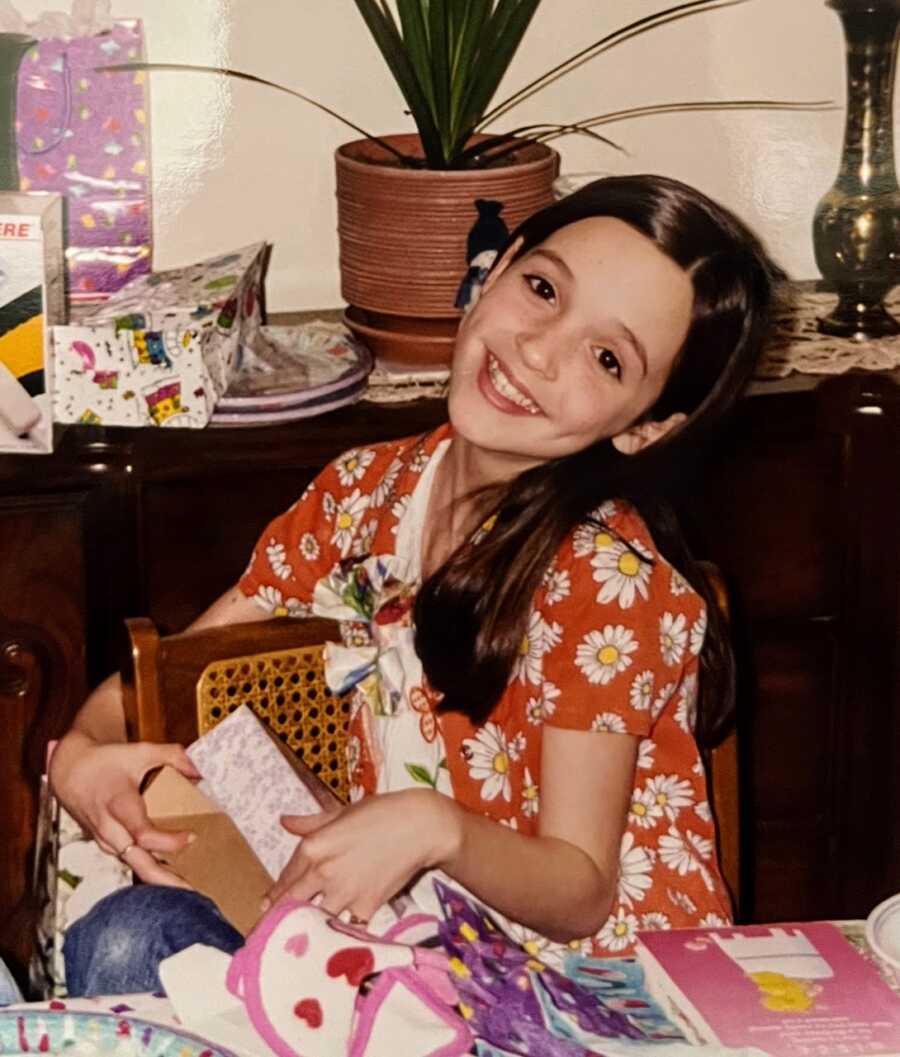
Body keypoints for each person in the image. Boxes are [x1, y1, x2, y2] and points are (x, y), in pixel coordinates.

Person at [52, 174, 782, 997]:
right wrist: (79, 755)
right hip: (398, 945)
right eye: (542, 288)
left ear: (647, 424)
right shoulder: (365, 488)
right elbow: (182, 672)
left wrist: (436, 828)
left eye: (606, 357)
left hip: (578, 989)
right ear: (495, 268)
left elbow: (582, 890)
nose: (539, 349)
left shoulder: (606, 579)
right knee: (128, 936)